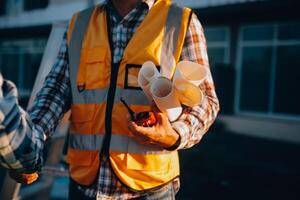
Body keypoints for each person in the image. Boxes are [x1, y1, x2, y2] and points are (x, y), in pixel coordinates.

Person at [0, 0, 220, 199]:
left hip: (149, 190)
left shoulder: (181, 22)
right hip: (83, 186)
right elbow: (56, 91)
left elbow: (206, 101)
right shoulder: (79, 24)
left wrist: (175, 134)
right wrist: (30, 144)